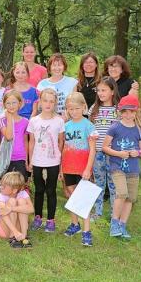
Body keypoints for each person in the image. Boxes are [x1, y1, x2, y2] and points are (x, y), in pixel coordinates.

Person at [103, 94, 141, 240]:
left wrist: (137, 152)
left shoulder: (139, 130)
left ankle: (122, 224)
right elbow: (105, 147)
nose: (129, 115)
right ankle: (114, 223)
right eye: (125, 111)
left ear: (136, 112)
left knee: (131, 198)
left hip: (133, 170)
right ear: (121, 111)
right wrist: (118, 153)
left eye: (132, 111)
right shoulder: (115, 127)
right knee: (121, 193)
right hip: (117, 167)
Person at [60, 93, 98, 247]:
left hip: (83, 168)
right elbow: (63, 148)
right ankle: (75, 225)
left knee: (83, 199)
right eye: (70, 109)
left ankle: (86, 231)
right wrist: (62, 169)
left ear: (84, 107)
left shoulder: (88, 126)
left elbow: (93, 150)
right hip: (68, 166)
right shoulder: (66, 126)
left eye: (77, 108)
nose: (74, 111)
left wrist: (88, 169)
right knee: (70, 195)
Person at [27, 88, 65, 233]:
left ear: (55, 103)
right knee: (39, 190)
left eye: (51, 101)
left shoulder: (59, 121)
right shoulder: (34, 121)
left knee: (50, 190)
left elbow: (61, 142)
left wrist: (60, 164)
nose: (48, 104)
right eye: (45, 101)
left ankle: (50, 220)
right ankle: (37, 217)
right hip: (37, 160)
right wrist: (30, 161)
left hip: (53, 162)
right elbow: (31, 142)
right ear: (40, 102)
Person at [89, 77, 120, 220]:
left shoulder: (118, 110)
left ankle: (115, 213)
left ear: (112, 91)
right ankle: (98, 211)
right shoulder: (93, 110)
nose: (100, 93)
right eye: (99, 90)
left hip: (113, 153)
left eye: (104, 90)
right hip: (97, 152)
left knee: (113, 184)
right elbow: (90, 129)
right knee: (98, 183)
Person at [0, 171, 34, 249]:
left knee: (22, 202)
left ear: (14, 190)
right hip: (3, 228)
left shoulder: (23, 193)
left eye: (4, 186)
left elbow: (31, 209)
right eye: (1, 184)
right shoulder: (1, 195)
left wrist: (11, 208)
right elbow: (3, 213)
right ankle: (13, 237)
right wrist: (15, 232)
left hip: (17, 228)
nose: (0, 187)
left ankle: (24, 236)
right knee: (12, 201)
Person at [0, 90, 30, 180]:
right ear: (4, 105)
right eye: (8, 103)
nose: (11, 106)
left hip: (20, 157)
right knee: (7, 185)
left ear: (20, 103)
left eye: (14, 103)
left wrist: (26, 159)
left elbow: (25, 141)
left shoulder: (25, 121)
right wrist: (9, 118)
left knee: (20, 184)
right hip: (6, 158)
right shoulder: (2, 121)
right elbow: (9, 136)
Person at [37, 53, 78, 118]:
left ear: (64, 66)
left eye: (59, 65)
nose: (57, 68)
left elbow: (74, 105)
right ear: (49, 67)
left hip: (67, 121)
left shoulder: (72, 82)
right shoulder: (42, 84)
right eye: (54, 65)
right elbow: (39, 106)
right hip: (47, 120)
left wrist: (66, 117)